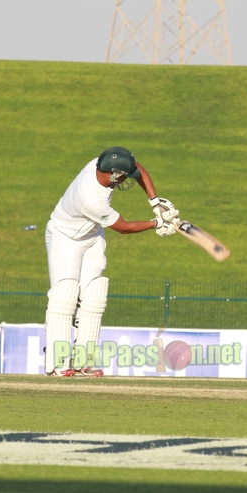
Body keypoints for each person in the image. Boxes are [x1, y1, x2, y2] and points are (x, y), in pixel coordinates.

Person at [44, 147, 178, 377]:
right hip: (64, 238)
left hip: (91, 234)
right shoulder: (90, 198)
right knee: (64, 295)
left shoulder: (101, 164)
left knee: (94, 293)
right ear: (113, 174)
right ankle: (57, 362)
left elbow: (139, 171)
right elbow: (124, 228)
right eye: (123, 177)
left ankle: (82, 361)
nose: (126, 179)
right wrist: (157, 224)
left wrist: (156, 202)